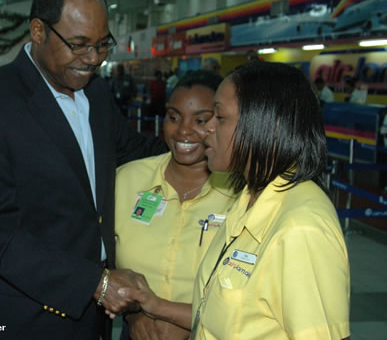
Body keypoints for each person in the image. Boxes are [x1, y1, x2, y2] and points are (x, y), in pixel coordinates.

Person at [0, 0, 167, 340]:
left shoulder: (94, 94)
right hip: (26, 315)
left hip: (93, 318)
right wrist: (95, 283)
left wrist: (196, 142)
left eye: (102, 45)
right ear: (38, 31)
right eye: (79, 44)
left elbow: (132, 152)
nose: (93, 59)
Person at [118, 62, 350, 340]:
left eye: (219, 117)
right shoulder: (248, 203)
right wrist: (153, 306)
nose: (207, 130)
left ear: (264, 124)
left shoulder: (301, 227)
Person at [115, 70, 235, 340]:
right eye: (174, 117)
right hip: (137, 332)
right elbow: (100, 261)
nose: (183, 130)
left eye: (201, 120)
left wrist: (178, 320)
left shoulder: (241, 194)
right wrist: (135, 314)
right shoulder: (127, 180)